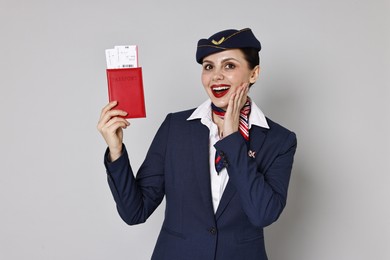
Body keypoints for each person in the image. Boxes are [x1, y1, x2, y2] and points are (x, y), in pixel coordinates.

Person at [97, 28, 297, 260]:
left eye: (229, 66)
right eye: (209, 67)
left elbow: (263, 214)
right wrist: (116, 150)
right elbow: (135, 212)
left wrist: (233, 139)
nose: (216, 76)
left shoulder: (279, 140)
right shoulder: (176, 127)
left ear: (254, 73)